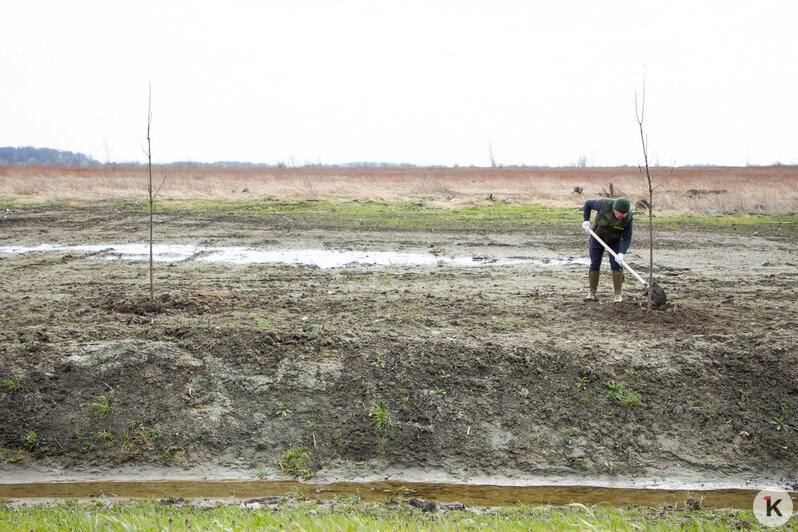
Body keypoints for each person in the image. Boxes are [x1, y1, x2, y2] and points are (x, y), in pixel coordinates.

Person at [581, 197, 633, 302]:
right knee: (595, 263)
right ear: (615, 210)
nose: (623, 216)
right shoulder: (603, 204)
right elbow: (588, 203)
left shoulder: (628, 217)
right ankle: (592, 294)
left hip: (615, 241)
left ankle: (618, 295)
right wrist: (586, 220)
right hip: (597, 237)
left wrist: (621, 253)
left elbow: (627, 237)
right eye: (621, 214)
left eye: (625, 214)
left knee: (616, 265)